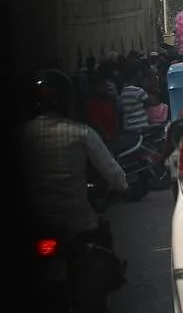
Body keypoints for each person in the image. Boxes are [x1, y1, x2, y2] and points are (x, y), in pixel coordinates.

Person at [21, 71, 129, 241]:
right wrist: (120, 186)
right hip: (77, 223)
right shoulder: (82, 134)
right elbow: (114, 175)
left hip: (34, 224)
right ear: (67, 100)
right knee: (104, 244)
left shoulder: (22, 134)